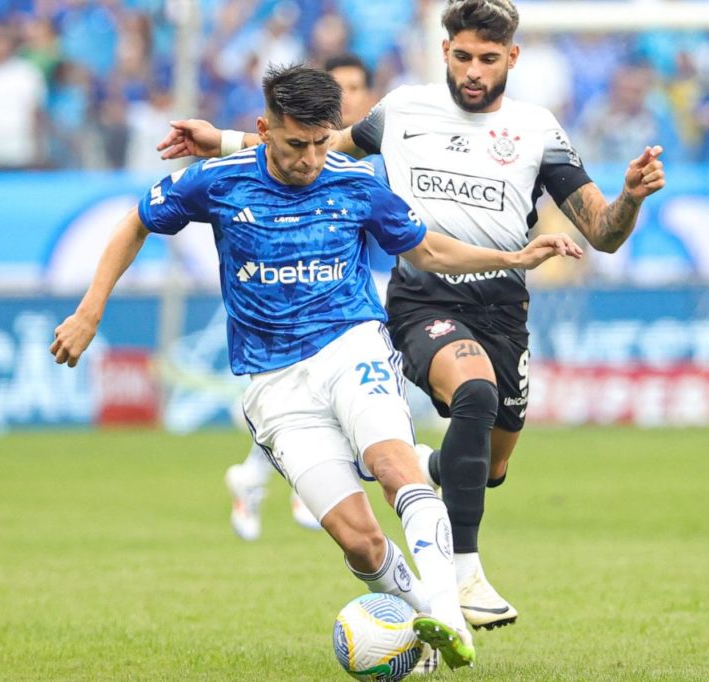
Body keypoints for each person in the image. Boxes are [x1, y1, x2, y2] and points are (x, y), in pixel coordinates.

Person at [156, 0, 666, 631]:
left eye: (487, 59)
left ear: (512, 57)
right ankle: (464, 574)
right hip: (423, 296)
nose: (473, 71)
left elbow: (603, 233)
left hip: (503, 302)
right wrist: (228, 141)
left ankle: (404, 464)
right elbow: (320, 148)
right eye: (461, 56)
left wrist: (630, 200)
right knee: (474, 393)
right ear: (443, 49)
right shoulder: (401, 109)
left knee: (490, 464)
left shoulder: (538, 130)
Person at [52, 64, 583, 670]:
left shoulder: (355, 183)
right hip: (272, 381)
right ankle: (422, 626)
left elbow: (428, 248)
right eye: (295, 144)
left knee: (393, 466)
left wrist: (513, 254)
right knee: (358, 540)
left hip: (351, 345)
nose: (309, 159)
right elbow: (136, 222)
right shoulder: (217, 182)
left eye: (321, 142)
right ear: (264, 130)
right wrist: (90, 312)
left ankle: (447, 609)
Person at [224, 54, 387, 542]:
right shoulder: (312, 151)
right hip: (306, 289)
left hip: (368, 280)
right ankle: (310, 482)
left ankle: (255, 477)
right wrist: (227, 141)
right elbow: (271, 149)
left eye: (357, 87)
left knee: (354, 394)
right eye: (341, 89)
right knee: (339, 392)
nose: (350, 97)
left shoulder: (380, 145)